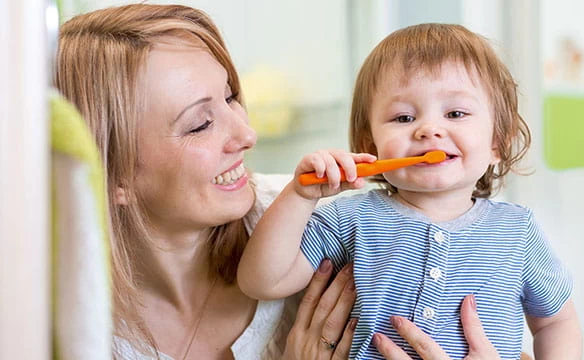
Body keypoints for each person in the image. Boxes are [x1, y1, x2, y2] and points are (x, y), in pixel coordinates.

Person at [237, 23, 582, 359]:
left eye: (456, 113)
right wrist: (300, 195)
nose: (429, 129)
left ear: (497, 143)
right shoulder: (348, 218)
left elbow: (556, 322)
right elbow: (263, 282)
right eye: (403, 118)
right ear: (369, 145)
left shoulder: (516, 231)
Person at [54, 4, 360, 359]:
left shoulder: (322, 227)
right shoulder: (59, 326)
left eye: (230, 96)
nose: (247, 134)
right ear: (111, 174)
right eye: (200, 124)